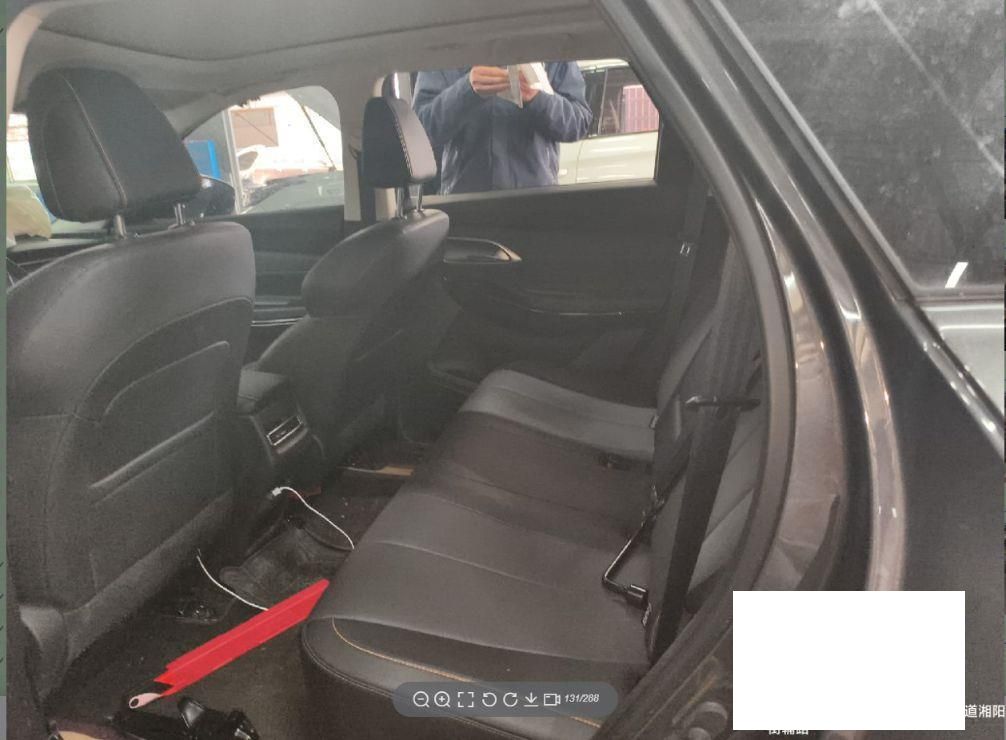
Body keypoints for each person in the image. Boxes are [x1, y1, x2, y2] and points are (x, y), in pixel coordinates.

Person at [413, 63, 592, 194]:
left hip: (534, 202)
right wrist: (466, 91)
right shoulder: (447, 49)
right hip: (467, 203)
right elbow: (420, 131)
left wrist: (538, 99)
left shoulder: (549, 44)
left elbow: (578, 122)